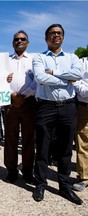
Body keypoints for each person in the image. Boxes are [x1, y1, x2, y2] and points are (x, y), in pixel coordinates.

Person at [32, 24, 84, 205]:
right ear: (46, 38)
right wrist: (66, 79)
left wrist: (54, 73)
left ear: (63, 37)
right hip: (46, 107)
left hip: (68, 107)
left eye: (59, 33)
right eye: (52, 33)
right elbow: (40, 78)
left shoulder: (72, 57)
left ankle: (64, 185)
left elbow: (78, 74)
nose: (56, 36)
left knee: (65, 148)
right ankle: (40, 183)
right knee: (43, 146)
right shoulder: (39, 57)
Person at [4, 30, 36, 184]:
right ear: (12, 43)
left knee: (29, 139)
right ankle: (11, 171)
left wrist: (24, 95)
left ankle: (28, 171)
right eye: (16, 39)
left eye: (23, 39)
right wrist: (12, 95)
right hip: (10, 103)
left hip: (29, 102)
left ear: (28, 42)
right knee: (10, 139)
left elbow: (38, 80)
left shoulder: (35, 59)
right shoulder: (6, 60)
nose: (19, 41)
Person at [73, 56, 88, 192]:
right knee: (83, 141)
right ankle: (84, 177)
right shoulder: (82, 62)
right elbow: (76, 82)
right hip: (85, 105)